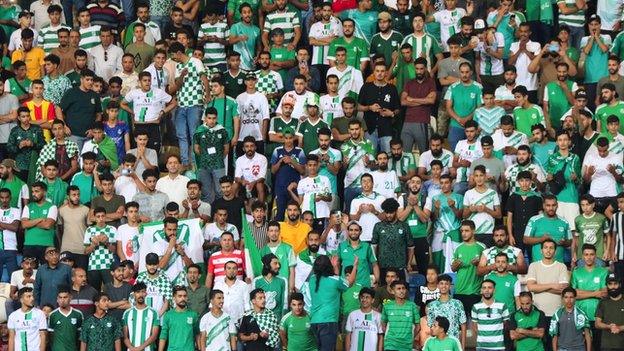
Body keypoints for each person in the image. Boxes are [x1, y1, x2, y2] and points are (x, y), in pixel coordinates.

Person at [167, 41, 209, 168]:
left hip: (195, 103)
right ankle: (185, 162)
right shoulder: (178, 67)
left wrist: (207, 94)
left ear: (179, 53)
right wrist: (182, 76)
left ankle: (196, 162)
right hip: (181, 104)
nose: (173, 58)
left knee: (193, 133)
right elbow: (177, 86)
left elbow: (204, 78)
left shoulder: (196, 62)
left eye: (173, 55)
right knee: (181, 134)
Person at [309, 254, 357, 351]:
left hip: (314, 321)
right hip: (328, 322)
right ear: (328, 266)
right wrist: (355, 265)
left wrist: (334, 267)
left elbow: (333, 279)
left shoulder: (312, 279)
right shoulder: (335, 280)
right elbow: (350, 282)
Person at [526, 239, 570, 327]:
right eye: (545, 248)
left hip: (556, 312)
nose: (548, 250)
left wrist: (539, 288)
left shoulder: (561, 266)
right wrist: (552, 285)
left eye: (551, 248)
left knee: (555, 340)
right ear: (541, 250)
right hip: (537, 313)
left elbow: (564, 290)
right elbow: (531, 287)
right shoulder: (533, 266)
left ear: (555, 251)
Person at [427, 274, 467, 348]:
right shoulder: (432, 305)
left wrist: (462, 347)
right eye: (441, 283)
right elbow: (431, 328)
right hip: (438, 346)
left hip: (454, 344)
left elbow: (463, 326)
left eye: (446, 284)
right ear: (438, 285)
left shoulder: (457, 303)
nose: (444, 286)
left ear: (450, 286)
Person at [471, 279, 510, 350]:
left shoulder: (502, 306)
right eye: (484, 288)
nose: (486, 290)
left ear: (494, 290)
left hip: (498, 347)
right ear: (481, 290)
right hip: (481, 347)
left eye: (489, 287)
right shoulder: (475, 307)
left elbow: (506, 325)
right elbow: (475, 327)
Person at [381, 280, 420, 351]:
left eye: (403, 288)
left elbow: (418, 326)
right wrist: (390, 336)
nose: (402, 291)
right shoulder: (387, 306)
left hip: (406, 344)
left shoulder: (412, 306)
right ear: (392, 291)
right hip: (391, 344)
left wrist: (410, 337)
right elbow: (383, 324)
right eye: (398, 289)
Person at [122, 282, 160, 351]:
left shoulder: (154, 313)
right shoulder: (127, 313)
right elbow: (125, 337)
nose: (140, 294)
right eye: (138, 292)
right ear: (134, 294)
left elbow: (154, 336)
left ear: (146, 294)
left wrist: (140, 348)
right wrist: (132, 349)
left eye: (143, 292)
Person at [49, 285, 84, 351]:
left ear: (70, 298)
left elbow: (80, 335)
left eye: (65, 297)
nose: (62, 300)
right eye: (60, 297)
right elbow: (50, 336)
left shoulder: (78, 314)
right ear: (57, 299)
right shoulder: (53, 315)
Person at [595, 273, 624, 351]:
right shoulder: (602, 302)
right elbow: (597, 324)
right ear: (607, 285)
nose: (613, 287)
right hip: (606, 345)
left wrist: (620, 328)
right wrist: (609, 326)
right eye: (610, 284)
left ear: (620, 284)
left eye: (615, 284)